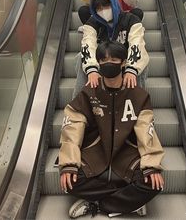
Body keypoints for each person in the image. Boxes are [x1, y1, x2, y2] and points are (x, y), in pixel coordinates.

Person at [59, 40, 164, 218]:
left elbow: (147, 130)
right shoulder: (89, 92)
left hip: (127, 152)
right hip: (95, 150)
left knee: (153, 183)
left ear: (124, 62)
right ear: (98, 63)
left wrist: (151, 166)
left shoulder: (138, 95)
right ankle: (127, 202)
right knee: (70, 181)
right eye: (104, 60)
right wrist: (69, 164)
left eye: (114, 59)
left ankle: (97, 204)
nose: (109, 64)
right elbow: (72, 128)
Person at [73, 0, 149, 98]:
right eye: (98, 8)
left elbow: (137, 43)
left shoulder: (131, 19)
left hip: (123, 61)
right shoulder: (92, 22)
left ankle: (139, 103)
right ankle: (79, 104)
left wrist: (131, 69)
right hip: (103, 61)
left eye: (106, 5)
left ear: (113, 3)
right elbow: (87, 43)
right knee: (80, 57)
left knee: (142, 60)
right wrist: (91, 70)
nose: (102, 10)